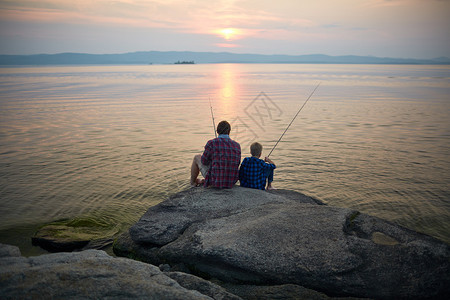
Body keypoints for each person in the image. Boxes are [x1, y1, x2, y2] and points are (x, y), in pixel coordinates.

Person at [190, 120, 241, 188]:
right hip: (231, 181)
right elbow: (237, 164)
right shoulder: (237, 146)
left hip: (215, 181)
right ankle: (204, 180)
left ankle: (193, 183)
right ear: (229, 132)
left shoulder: (211, 143)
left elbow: (204, 161)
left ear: (217, 131)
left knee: (197, 157)